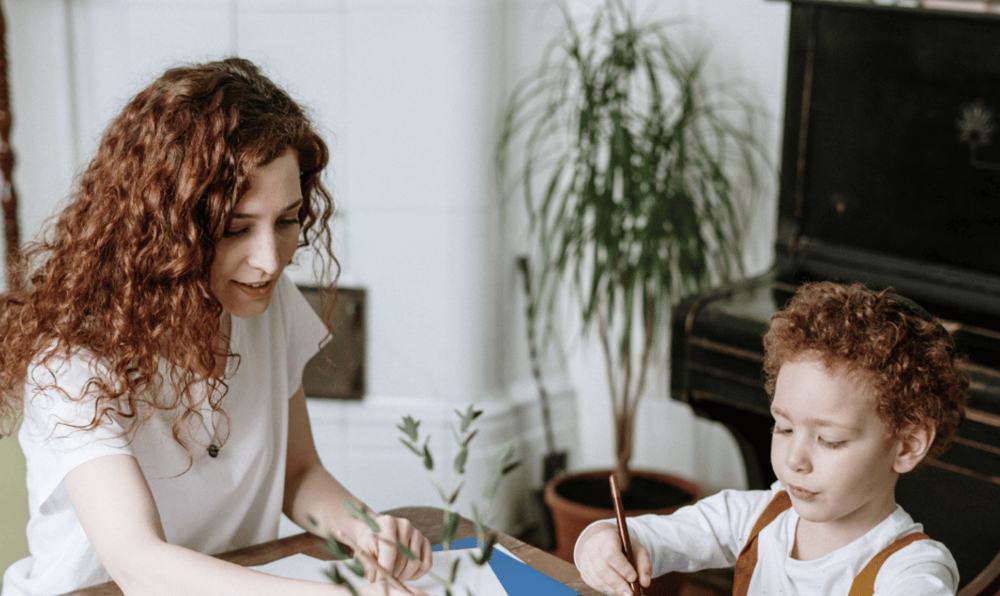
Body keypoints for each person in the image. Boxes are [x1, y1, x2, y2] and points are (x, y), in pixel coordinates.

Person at [0, 57, 432, 596]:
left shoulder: (267, 304)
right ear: (164, 229)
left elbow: (298, 473)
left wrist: (364, 529)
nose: (270, 261)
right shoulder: (73, 358)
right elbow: (138, 565)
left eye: (288, 220)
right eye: (235, 228)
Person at [575, 281, 969, 596]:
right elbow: (646, 535)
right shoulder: (759, 517)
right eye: (784, 428)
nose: (795, 458)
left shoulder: (912, 571)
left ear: (907, 445)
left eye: (829, 440)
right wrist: (600, 541)